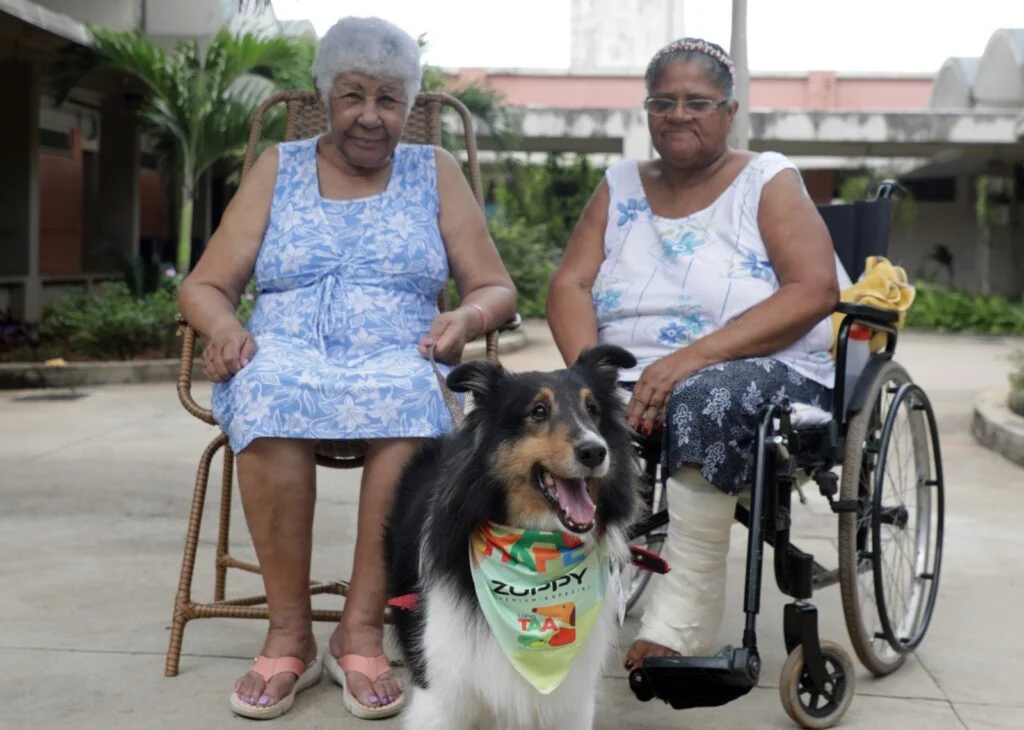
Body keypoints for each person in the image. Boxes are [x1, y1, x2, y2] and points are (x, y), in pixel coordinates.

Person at [177, 15, 517, 721]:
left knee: (409, 403)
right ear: (324, 95)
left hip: (400, 352)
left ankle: (360, 632)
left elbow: (495, 285)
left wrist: (467, 318)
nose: (370, 115)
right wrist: (224, 325)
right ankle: (288, 634)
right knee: (267, 390)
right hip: (284, 351)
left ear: (410, 106)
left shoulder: (435, 172)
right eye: (353, 95)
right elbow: (203, 285)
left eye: (388, 99)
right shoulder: (281, 166)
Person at [546, 38, 845, 672]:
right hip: (631, 372)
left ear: (729, 110)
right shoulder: (620, 183)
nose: (678, 113)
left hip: (763, 368)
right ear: (647, 110)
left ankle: (682, 616)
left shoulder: (768, 179)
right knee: (533, 411)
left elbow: (815, 290)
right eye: (663, 101)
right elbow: (570, 283)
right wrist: (587, 377)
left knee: (704, 397)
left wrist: (688, 360)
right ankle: (542, 592)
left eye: (697, 101)